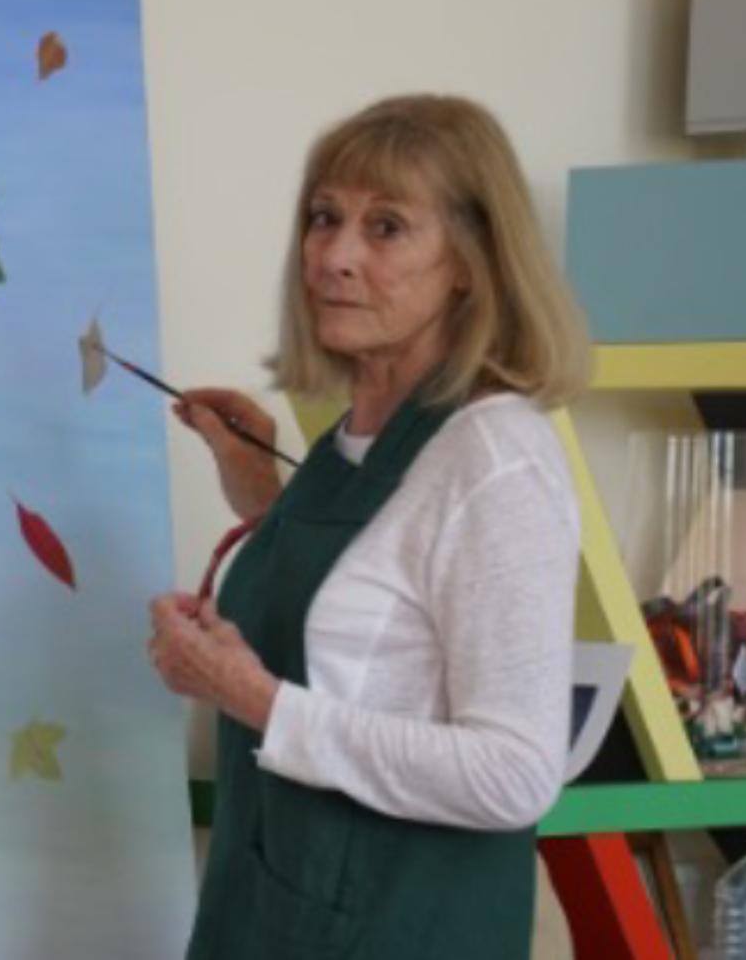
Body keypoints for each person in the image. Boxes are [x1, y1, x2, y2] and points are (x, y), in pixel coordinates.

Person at [148, 94, 592, 958]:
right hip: (275, 916)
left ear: (469, 260)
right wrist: (261, 494)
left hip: (404, 929)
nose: (335, 256)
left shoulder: (496, 458)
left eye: (386, 227)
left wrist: (253, 697)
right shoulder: (357, 435)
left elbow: (516, 774)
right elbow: (381, 618)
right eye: (325, 218)